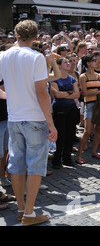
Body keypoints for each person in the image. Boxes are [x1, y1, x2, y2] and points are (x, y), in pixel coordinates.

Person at [0, 20, 57, 225]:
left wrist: (10, 98)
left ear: (16, 35)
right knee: (34, 165)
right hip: (34, 117)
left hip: (14, 117)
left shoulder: (4, 56)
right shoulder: (36, 57)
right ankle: (30, 213)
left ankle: (22, 210)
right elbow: (41, 91)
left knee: (16, 164)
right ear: (35, 37)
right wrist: (51, 123)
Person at [50, 57, 80, 168]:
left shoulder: (72, 78)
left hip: (71, 108)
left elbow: (77, 94)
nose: (68, 64)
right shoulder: (54, 79)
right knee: (60, 135)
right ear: (59, 66)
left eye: (69, 61)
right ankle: (57, 160)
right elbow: (57, 95)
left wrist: (64, 93)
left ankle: (67, 158)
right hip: (59, 108)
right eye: (65, 62)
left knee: (70, 133)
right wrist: (70, 92)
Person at [76, 53, 100, 164]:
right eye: (93, 60)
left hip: (99, 104)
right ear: (88, 63)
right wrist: (98, 92)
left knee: (98, 129)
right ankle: (79, 155)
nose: (96, 61)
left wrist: (98, 92)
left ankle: (94, 151)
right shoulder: (83, 76)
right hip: (89, 104)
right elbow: (85, 93)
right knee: (87, 131)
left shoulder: (99, 76)